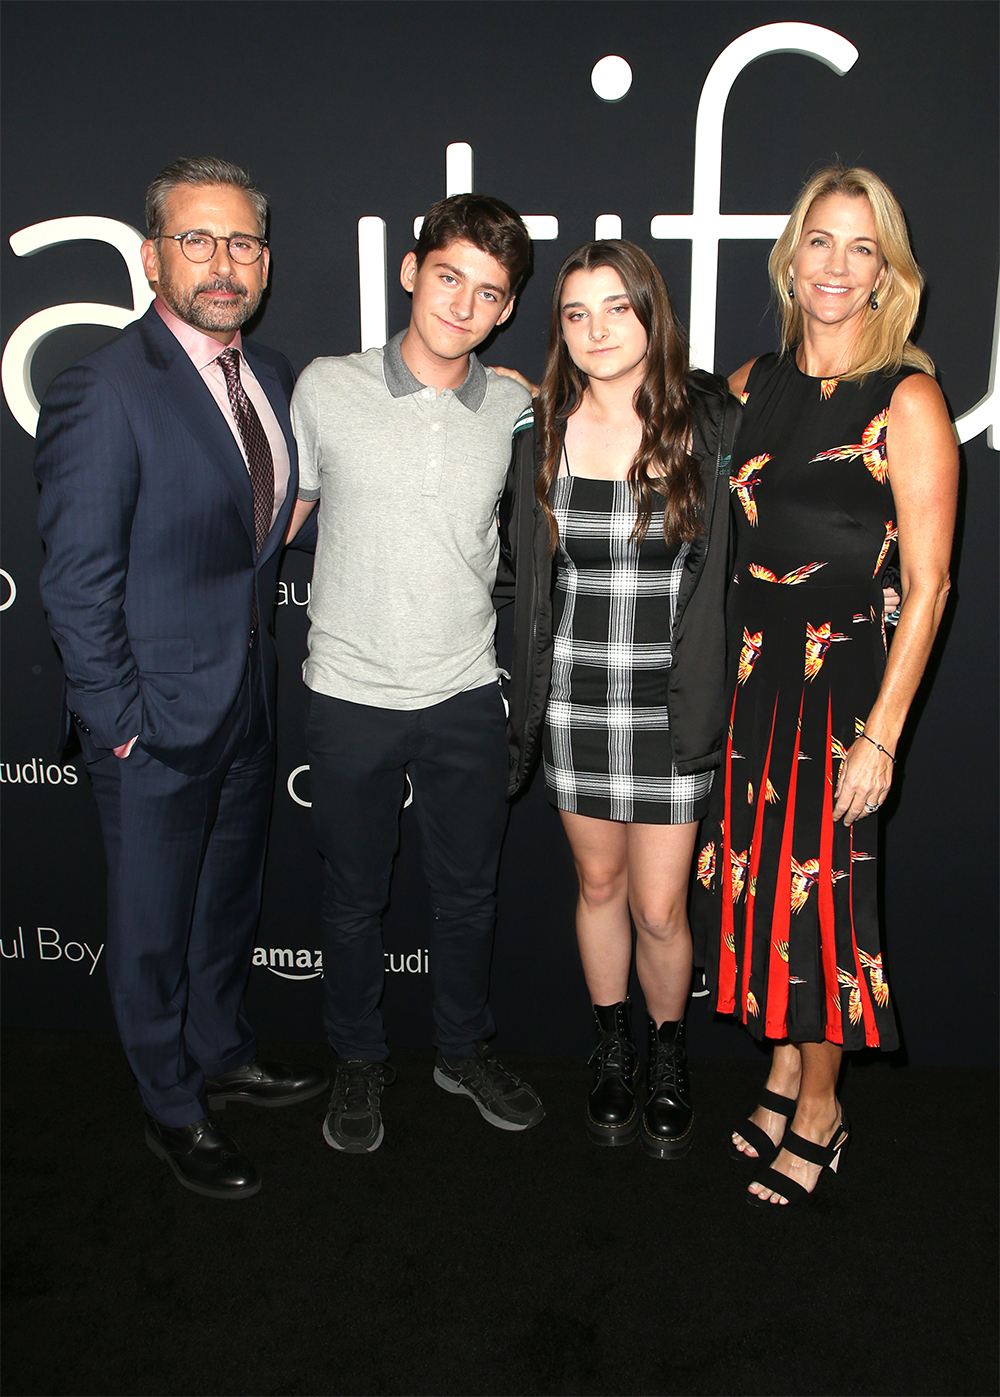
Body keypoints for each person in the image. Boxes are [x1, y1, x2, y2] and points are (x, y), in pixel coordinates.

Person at [33, 158, 327, 1200]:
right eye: (197, 240)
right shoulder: (105, 387)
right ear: (154, 254)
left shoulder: (274, 375)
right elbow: (74, 582)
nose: (223, 261)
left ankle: (223, 1049)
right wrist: (118, 726)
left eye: (242, 241)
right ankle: (169, 1102)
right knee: (154, 925)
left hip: (247, 705)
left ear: (266, 261)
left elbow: (272, 524)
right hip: (151, 724)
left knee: (222, 907)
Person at [691, 165, 958, 1207]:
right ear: (790, 256)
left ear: (888, 271)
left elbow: (930, 583)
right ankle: (780, 1067)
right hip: (755, 676)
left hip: (840, 687)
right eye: (820, 242)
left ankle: (821, 1110)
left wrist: (883, 733)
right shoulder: (753, 381)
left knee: (823, 907)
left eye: (862, 248)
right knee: (759, 887)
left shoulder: (909, 397)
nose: (837, 267)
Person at [286, 194, 545, 1153]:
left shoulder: (518, 407)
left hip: (466, 692)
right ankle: (358, 1061)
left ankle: (461, 1048)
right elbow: (287, 519)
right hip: (350, 689)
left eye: (488, 292)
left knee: (468, 895)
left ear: (507, 308)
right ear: (410, 272)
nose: (463, 305)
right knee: (353, 899)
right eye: (449, 278)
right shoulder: (325, 385)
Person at [498, 241, 741, 1158]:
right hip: (575, 706)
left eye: (616, 308)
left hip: (674, 704)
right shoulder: (540, 431)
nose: (596, 330)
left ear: (651, 313)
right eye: (574, 313)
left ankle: (669, 1053)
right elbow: (518, 575)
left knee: (660, 909)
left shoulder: (710, 421)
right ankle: (612, 1048)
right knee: (597, 883)